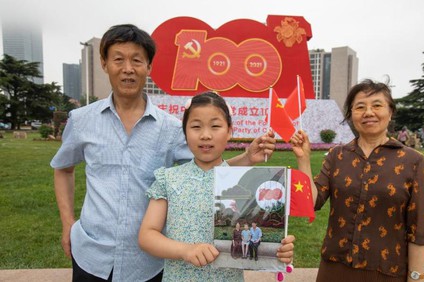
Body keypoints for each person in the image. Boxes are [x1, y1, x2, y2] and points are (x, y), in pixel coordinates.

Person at [50, 24, 278, 281]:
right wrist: (68, 222)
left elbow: (206, 172)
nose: (128, 69)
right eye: (118, 59)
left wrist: (247, 158)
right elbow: (63, 169)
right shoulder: (81, 120)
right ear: (104, 63)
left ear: (148, 67)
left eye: (137, 60)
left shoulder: (171, 129)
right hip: (92, 255)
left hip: (148, 263)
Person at [138, 92, 295, 281]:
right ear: (185, 131)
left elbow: (259, 234)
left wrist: (279, 250)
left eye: (215, 126)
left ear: (229, 130)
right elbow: (147, 236)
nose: (205, 135)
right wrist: (185, 250)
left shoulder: (244, 182)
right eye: (196, 126)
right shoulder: (168, 178)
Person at [291, 79, 424, 282]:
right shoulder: (337, 155)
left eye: (377, 105)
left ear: (390, 112)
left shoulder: (413, 161)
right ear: (351, 116)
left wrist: (416, 277)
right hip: (334, 267)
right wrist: (303, 159)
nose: (368, 112)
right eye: (360, 107)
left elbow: (418, 227)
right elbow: (313, 201)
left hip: (385, 270)